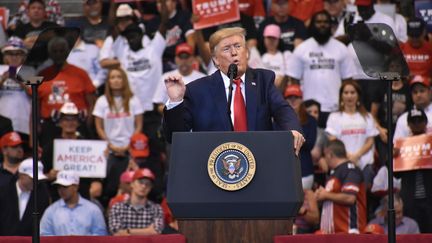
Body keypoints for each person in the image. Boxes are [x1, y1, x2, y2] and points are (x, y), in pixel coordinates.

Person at [163, 27, 305, 154]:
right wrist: (176, 102)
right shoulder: (197, 90)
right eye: (226, 49)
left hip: (259, 162)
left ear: (247, 53)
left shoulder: (263, 80)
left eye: (238, 46)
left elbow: (282, 110)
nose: (234, 52)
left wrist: (293, 129)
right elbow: (175, 136)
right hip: (214, 170)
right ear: (215, 60)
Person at [287, 10, 355, 128]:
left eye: (325, 22)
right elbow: (294, 80)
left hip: (335, 108)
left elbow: (348, 80)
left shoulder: (341, 49)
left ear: (331, 25)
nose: (322, 25)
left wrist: (345, 104)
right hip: (309, 109)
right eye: (318, 22)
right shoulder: (302, 49)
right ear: (312, 24)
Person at [92, 67, 144, 201]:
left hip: (130, 150)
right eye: (112, 77)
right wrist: (110, 145)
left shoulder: (134, 100)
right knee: (109, 188)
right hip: (108, 150)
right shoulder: (101, 101)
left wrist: (129, 145)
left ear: (124, 80)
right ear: (108, 81)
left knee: (130, 185)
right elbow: (99, 127)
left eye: (119, 77)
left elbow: (138, 125)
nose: (116, 80)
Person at [36, 36, 96, 147]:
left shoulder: (81, 74)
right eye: (54, 51)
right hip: (50, 126)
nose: (58, 54)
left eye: (61, 51)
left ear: (68, 52)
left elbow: (92, 102)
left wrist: (88, 124)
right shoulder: (42, 74)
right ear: (49, 53)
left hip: (76, 123)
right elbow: (35, 105)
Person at [325, 81, 379, 187]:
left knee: (364, 198)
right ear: (341, 96)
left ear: (358, 95)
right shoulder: (334, 117)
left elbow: (370, 141)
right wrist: (349, 157)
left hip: (364, 165)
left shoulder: (367, 117)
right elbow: (333, 140)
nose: (349, 96)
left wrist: (357, 156)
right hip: (342, 164)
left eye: (352, 92)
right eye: (346, 93)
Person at [315, 139, 367, 234]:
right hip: (333, 233)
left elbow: (350, 197)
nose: (325, 159)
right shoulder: (334, 173)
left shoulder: (350, 170)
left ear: (330, 154)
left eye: (325, 156)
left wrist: (326, 195)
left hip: (349, 232)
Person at [394, 107, 432, 233]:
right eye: (413, 121)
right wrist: (393, 157)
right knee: (412, 236)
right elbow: (396, 174)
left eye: (419, 121)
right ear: (409, 125)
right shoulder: (402, 145)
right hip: (410, 199)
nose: (416, 124)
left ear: (426, 123)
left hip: (429, 197)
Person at [40, 170, 107, 236]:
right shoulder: (51, 211)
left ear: (76, 187)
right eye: (59, 187)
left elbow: (100, 234)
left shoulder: (93, 210)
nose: (61, 190)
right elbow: (44, 235)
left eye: (65, 187)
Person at [0, 158, 50, 236]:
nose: (36, 182)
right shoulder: (3, 192)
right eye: (32, 178)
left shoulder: (42, 194)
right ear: (21, 175)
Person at [153, 43, 206, 113]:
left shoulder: (203, 78)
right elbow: (159, 106)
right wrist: (175, 110)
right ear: (175, 59)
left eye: (186, 57)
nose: (183, 61)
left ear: (193, 59)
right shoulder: (166, 78)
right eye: (181, 57)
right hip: (173, 121)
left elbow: (207, 104)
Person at [108, 168, 164, 235]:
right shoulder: (117, 207)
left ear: (151, 188)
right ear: (132, 184)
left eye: (148, 184)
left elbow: (156, 232)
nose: (144, 186)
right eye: (141, 182)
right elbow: (116, 232)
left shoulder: (156, 209)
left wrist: (127, 231)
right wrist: (147, 231)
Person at [284, 85, 317, 189]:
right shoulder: (279, 120)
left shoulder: (310, 120)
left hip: (305, 168)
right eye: (290, 98)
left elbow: (310, 144)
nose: (293, 101)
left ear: (301, 99)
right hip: (286, 168)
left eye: (296, 97)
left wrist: (290, 140)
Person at [0, 37, 33, 139]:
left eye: (18, 53)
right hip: (2, 120)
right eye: (10, 53)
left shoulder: (31, 70)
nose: (14, 57)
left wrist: (19, 81)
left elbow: (35, 95)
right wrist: (2, 80)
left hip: (24, 121)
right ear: (4, 56)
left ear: (23, 56)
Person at [393, 75, 432, 142]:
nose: (418, 95)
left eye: (422, 91)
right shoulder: (403, 119)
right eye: (415, 92)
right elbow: (397, 146)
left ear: (430, 92)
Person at [260, 24, 290, 90]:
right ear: (264, 38)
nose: (271, 41)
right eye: (268, 38)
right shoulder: (258, 57)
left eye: (274, 38)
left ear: (278, 40)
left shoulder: (286, 56)